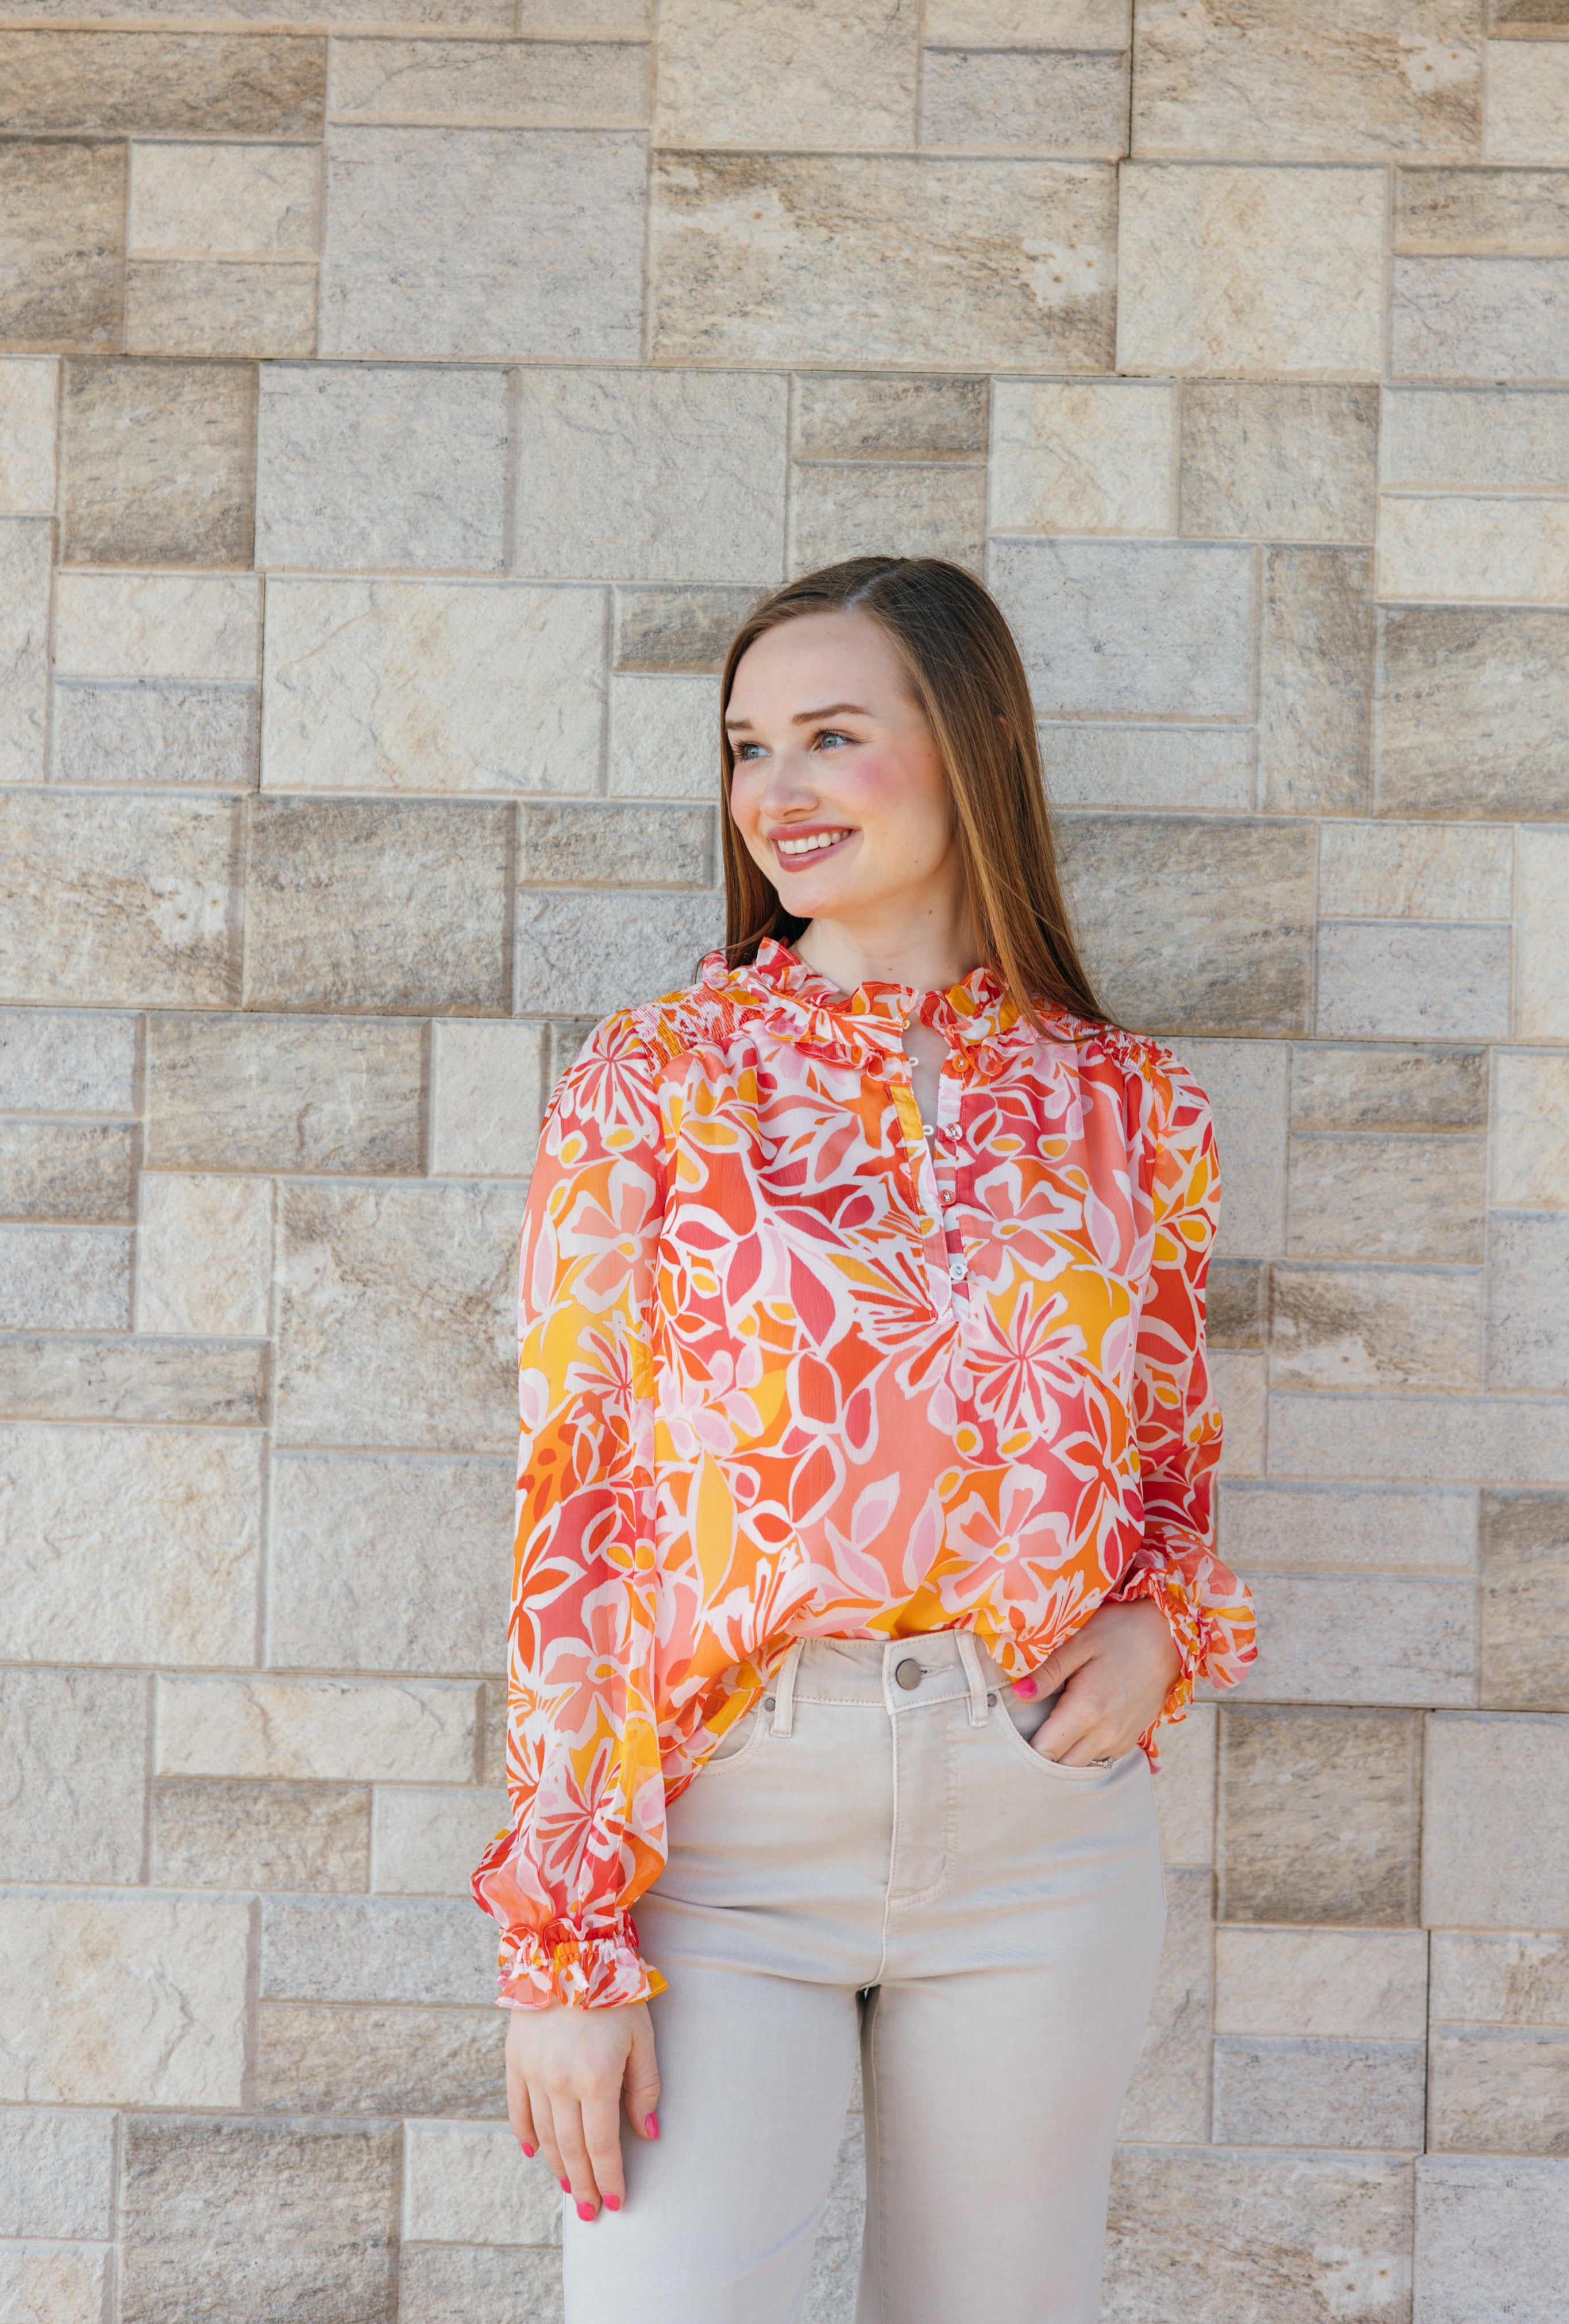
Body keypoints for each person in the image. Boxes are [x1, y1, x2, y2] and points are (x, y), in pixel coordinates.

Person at [473, 556, 1256, 2324]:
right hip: (727, 1833)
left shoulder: (1131, 1106)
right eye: (750, 747)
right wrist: (564, 1943)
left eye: (832, 735)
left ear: (969, 743)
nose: (777, 792)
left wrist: (1165, 1622)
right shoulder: (653, 1079)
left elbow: (1164, 1472)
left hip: (1039, 1832)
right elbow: (578, 1512)